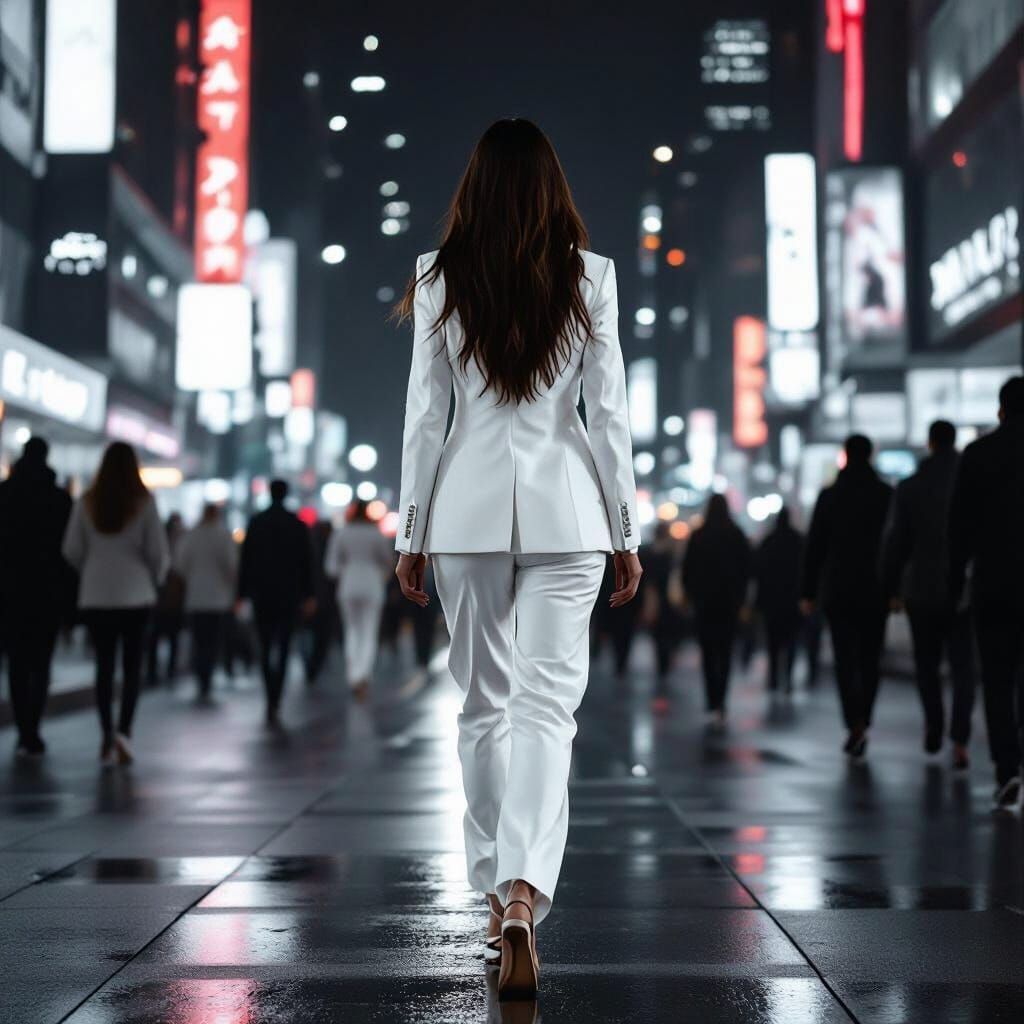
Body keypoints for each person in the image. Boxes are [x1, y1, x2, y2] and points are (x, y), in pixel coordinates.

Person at [392, 119, 641, 1000]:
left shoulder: (437, 278)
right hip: (569, 513)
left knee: (482, 707)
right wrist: (626, 528)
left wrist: (409, 529)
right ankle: (527, 895)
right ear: (552, 189)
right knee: (547, 710)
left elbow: (428, 417)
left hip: (462, 514)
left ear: (474, 190)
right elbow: (606, 416)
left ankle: (497, 887)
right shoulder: (592, 277)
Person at [62, 442, 169, 766]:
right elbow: (158, 553)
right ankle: (125, 732)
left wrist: (91, 569)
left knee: (104, 666)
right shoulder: (144, 503)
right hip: (136, 594)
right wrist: (156, 578)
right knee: (132, 666)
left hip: (96, 595)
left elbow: (71, 549)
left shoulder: (87, 503)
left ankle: (106, 733)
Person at [949, 377, 1024, 809]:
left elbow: (958, 527)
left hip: (993, 584)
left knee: (995, 678)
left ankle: (1006, 768)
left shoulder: (977, 456)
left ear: (1000, 410)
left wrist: (955, 580)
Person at [882, 420, 975, 769]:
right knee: (964, 666)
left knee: (927, 664)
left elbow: (897, 543)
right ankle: (961, 736)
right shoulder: (970, 481)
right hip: (963, 589)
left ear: (930, 443)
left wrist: (890, 588)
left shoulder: (911, 487)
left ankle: (934, 725)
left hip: (922, 589)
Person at [801, 434, 892, 759]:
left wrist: (808, 591)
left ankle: (852, 722)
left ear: (845, 456)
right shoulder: (885, 494)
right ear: (870, 455)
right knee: (870, 658)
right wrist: (894, 589)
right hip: (875, 589)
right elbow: (892, 546)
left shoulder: (830, 496)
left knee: (844, 659)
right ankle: (864, 718)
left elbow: (815, 547)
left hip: (838, 589)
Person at [0, 437, 73, 756]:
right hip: (48, 592)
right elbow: (69, 555)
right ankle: (34, 728)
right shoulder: (60, 500)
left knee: (16, 662)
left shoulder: (5, 494)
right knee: (41, 662)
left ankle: (22, 727)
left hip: (10, 591)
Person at [238, 479, 315, 726]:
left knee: (263, 642)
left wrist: (241, 593)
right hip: (289, 594)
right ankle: (277, 695)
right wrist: (309, 594)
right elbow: (307, 563)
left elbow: (246, 560)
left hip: (262, 593)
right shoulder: (297, 525)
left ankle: (269, 692)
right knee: (283, 644)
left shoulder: (256, 522)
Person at [682, 494, 751, 725]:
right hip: (729, 604)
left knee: (709, 652)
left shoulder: (699, 535)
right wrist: (741, 599)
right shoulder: (737, 534)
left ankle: (711, 699)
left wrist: (690, 595)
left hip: (705, 604)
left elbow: (687, 570)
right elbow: (746, 570)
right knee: (726, 651)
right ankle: (722, 699)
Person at [323, 499, 392, 701]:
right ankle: (363, 676)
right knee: (369, 631)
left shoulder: (342, 533)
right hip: (372, 585)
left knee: (352, 631)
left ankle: (353, 676)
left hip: (348, 585)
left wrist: (347, 570)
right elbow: (388, 562)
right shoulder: (375, 534)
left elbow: (331, 567)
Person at [174, 503, 238, 703]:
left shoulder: (193, 536)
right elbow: (231, 566)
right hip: (217, 598)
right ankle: (207, 677)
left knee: (199, 639)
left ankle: (201, 676)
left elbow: (179, 563)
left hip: (196, 597)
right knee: (212, 640)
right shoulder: (222, 536)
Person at [753, 508, 804, 697]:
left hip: (771, 602)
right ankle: (787, 679)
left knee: (773, 642)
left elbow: (758, 571)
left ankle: (773, 678)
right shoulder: (798, 541)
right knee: (791, 642)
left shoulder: (768, 541)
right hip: (792, 601)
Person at [643, 522, 682, 711]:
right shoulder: (674, 552)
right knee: (670, 633)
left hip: (657, 600)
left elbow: (647, 581)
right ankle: (667, 662)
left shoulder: (650, 553)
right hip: (672, 601)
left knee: (659, 635)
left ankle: (662, 664)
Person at [146, 513, 185, 685]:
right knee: (166, 636)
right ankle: (164, 671)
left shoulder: (173, 544)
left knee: (159, 635)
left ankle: (157, 671)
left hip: (163, 597)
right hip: (167, 597)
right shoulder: (178, 545)